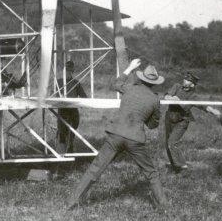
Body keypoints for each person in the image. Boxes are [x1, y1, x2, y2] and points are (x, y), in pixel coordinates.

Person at [67, 58, 168, 211]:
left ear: (140, 78)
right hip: (135, 138)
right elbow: (153, 125)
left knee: (95, 168)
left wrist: (129, 68)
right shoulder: (155, 100)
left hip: (115, 134)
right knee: (151, 173)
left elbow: (114, 84)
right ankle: (164, 207)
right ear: (155, 83)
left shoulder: (129, 88)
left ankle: (71, 203)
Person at [163, 72, 222, 171]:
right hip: (169, 118)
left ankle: (182, 166)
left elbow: (203, 106)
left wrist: (215, 112)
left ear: (192, 84)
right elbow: (166, 96)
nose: (184, 81)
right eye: (185, 79)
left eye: (188, 80)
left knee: (172, 142)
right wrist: (171, 98)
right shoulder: (177, 86)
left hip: (182, 121)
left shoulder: (194, 96)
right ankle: (175, 166)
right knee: (168, 144)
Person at [56, 60, 87, 153]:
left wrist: (82, 102)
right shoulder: (59, 82)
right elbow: (52, 96)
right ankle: (61, 153)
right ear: (63, 71)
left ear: (72, 71)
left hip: (73, 110)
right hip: (63, 111)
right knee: (62, 132)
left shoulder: (76, 83)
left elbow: (84, 97)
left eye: (70, 70)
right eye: (66, 70)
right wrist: (59, 97)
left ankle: (70, 150)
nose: (68, 72)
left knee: (72, 131)